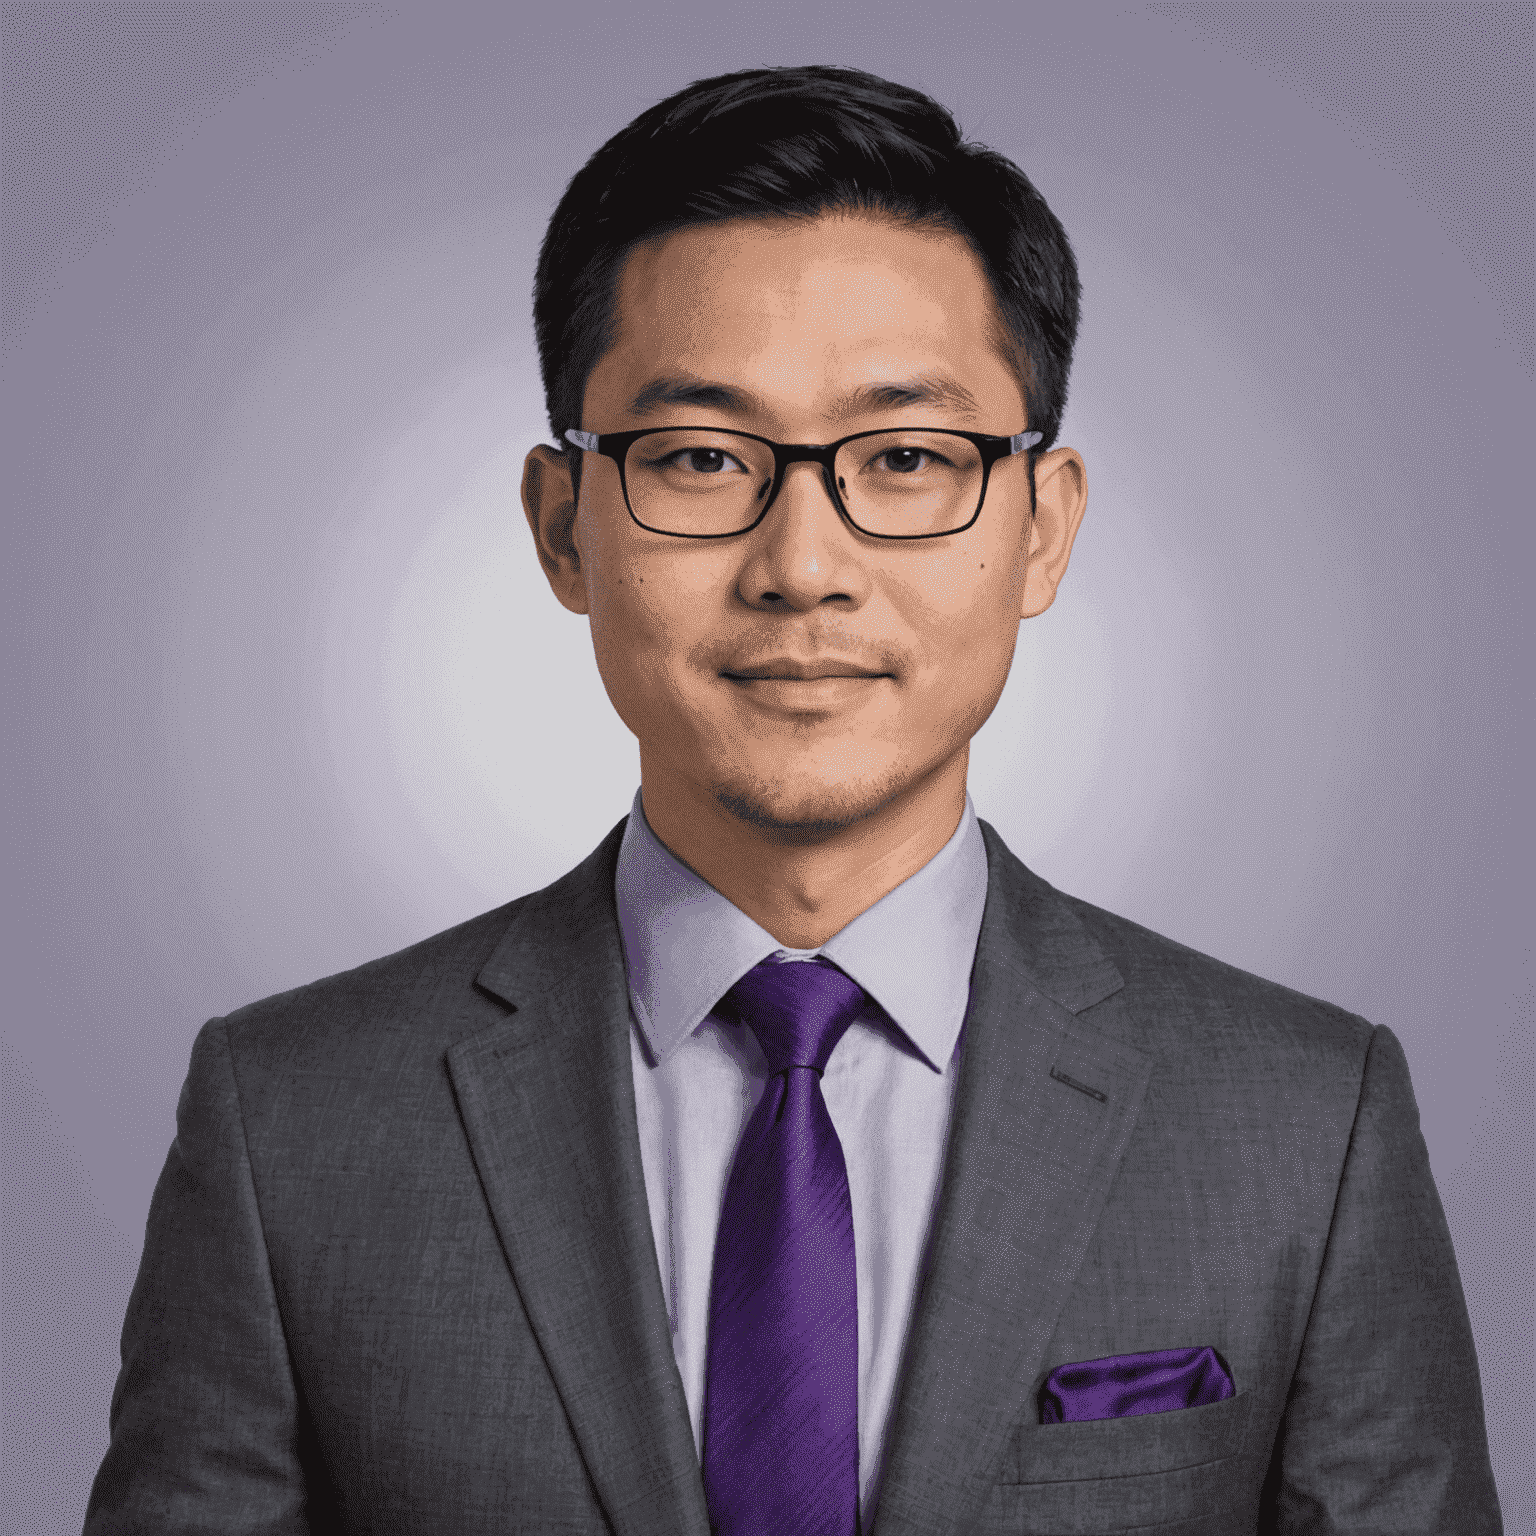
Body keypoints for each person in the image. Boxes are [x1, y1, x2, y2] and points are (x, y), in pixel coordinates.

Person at [84, 65, 1502, 1535]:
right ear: (564, 529)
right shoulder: (291, 1123)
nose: (801, 564)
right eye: (701, 458)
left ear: (1042, 529)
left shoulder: (1303, 1122)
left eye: (906, 459)